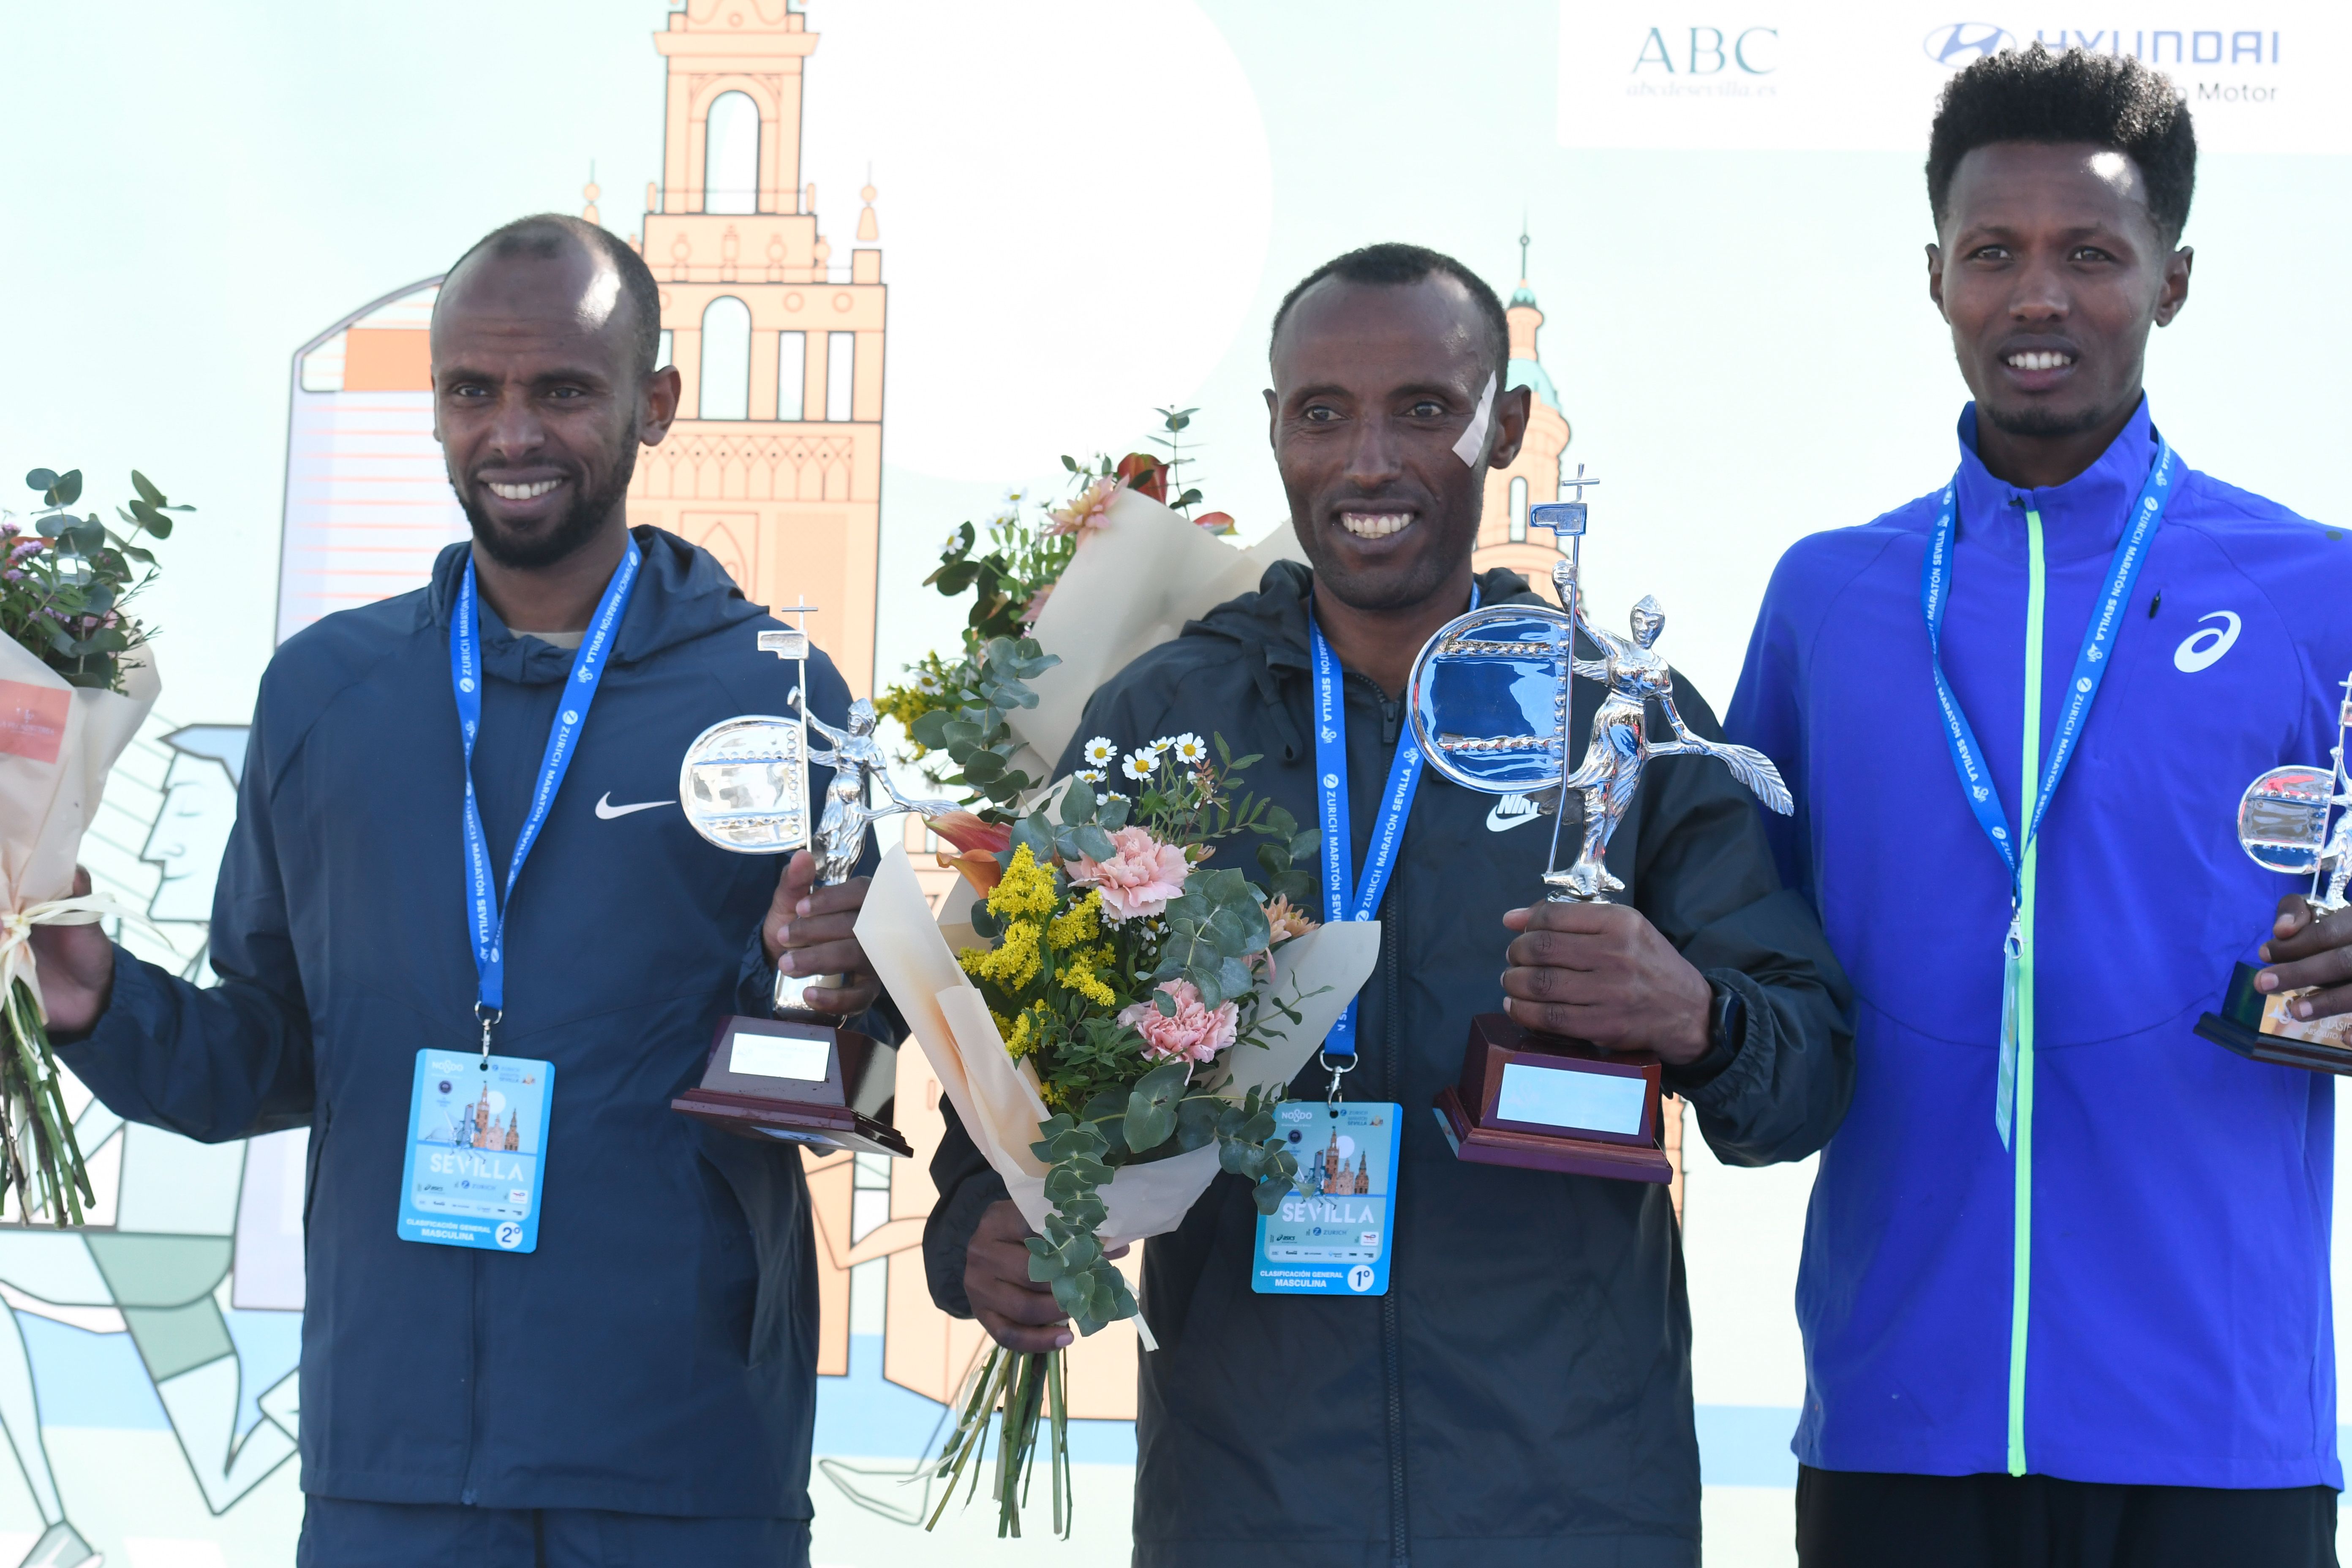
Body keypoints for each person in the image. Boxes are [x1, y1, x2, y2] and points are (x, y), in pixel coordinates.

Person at [923, 242, 1856, 1565]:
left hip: (1571, 1506)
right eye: (1323, 414)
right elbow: (1017, 1040)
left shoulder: (1616, 720)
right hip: (1249, 1509)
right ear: (1274, 431)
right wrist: (982, 1223)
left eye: (1424, 409)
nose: (1368, 462)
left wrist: (1699, 1015)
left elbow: (1804, 1082)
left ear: (1506, 426)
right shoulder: (1164, 715)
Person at [29, 215, 884, 1567]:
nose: (514, 432)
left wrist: (815, 985)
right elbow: (269, 1053)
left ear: (654, 404)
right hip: (397, 1457)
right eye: (471, 391)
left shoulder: (773, 695)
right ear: (433, 407)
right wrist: (93, 998)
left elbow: (840, 1084)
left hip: (681, 1454)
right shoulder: (328, 696)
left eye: (562, 389)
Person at [1728, 46, 2352, 1567]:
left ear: (2175, 279)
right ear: (1933, 275)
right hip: (1897, 1408)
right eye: (1994, 254)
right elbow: (1739, 965)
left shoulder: (2317, 589)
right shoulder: (1830, 599)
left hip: (2221, 1420)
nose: (2039, 297)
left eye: (2092, 254)